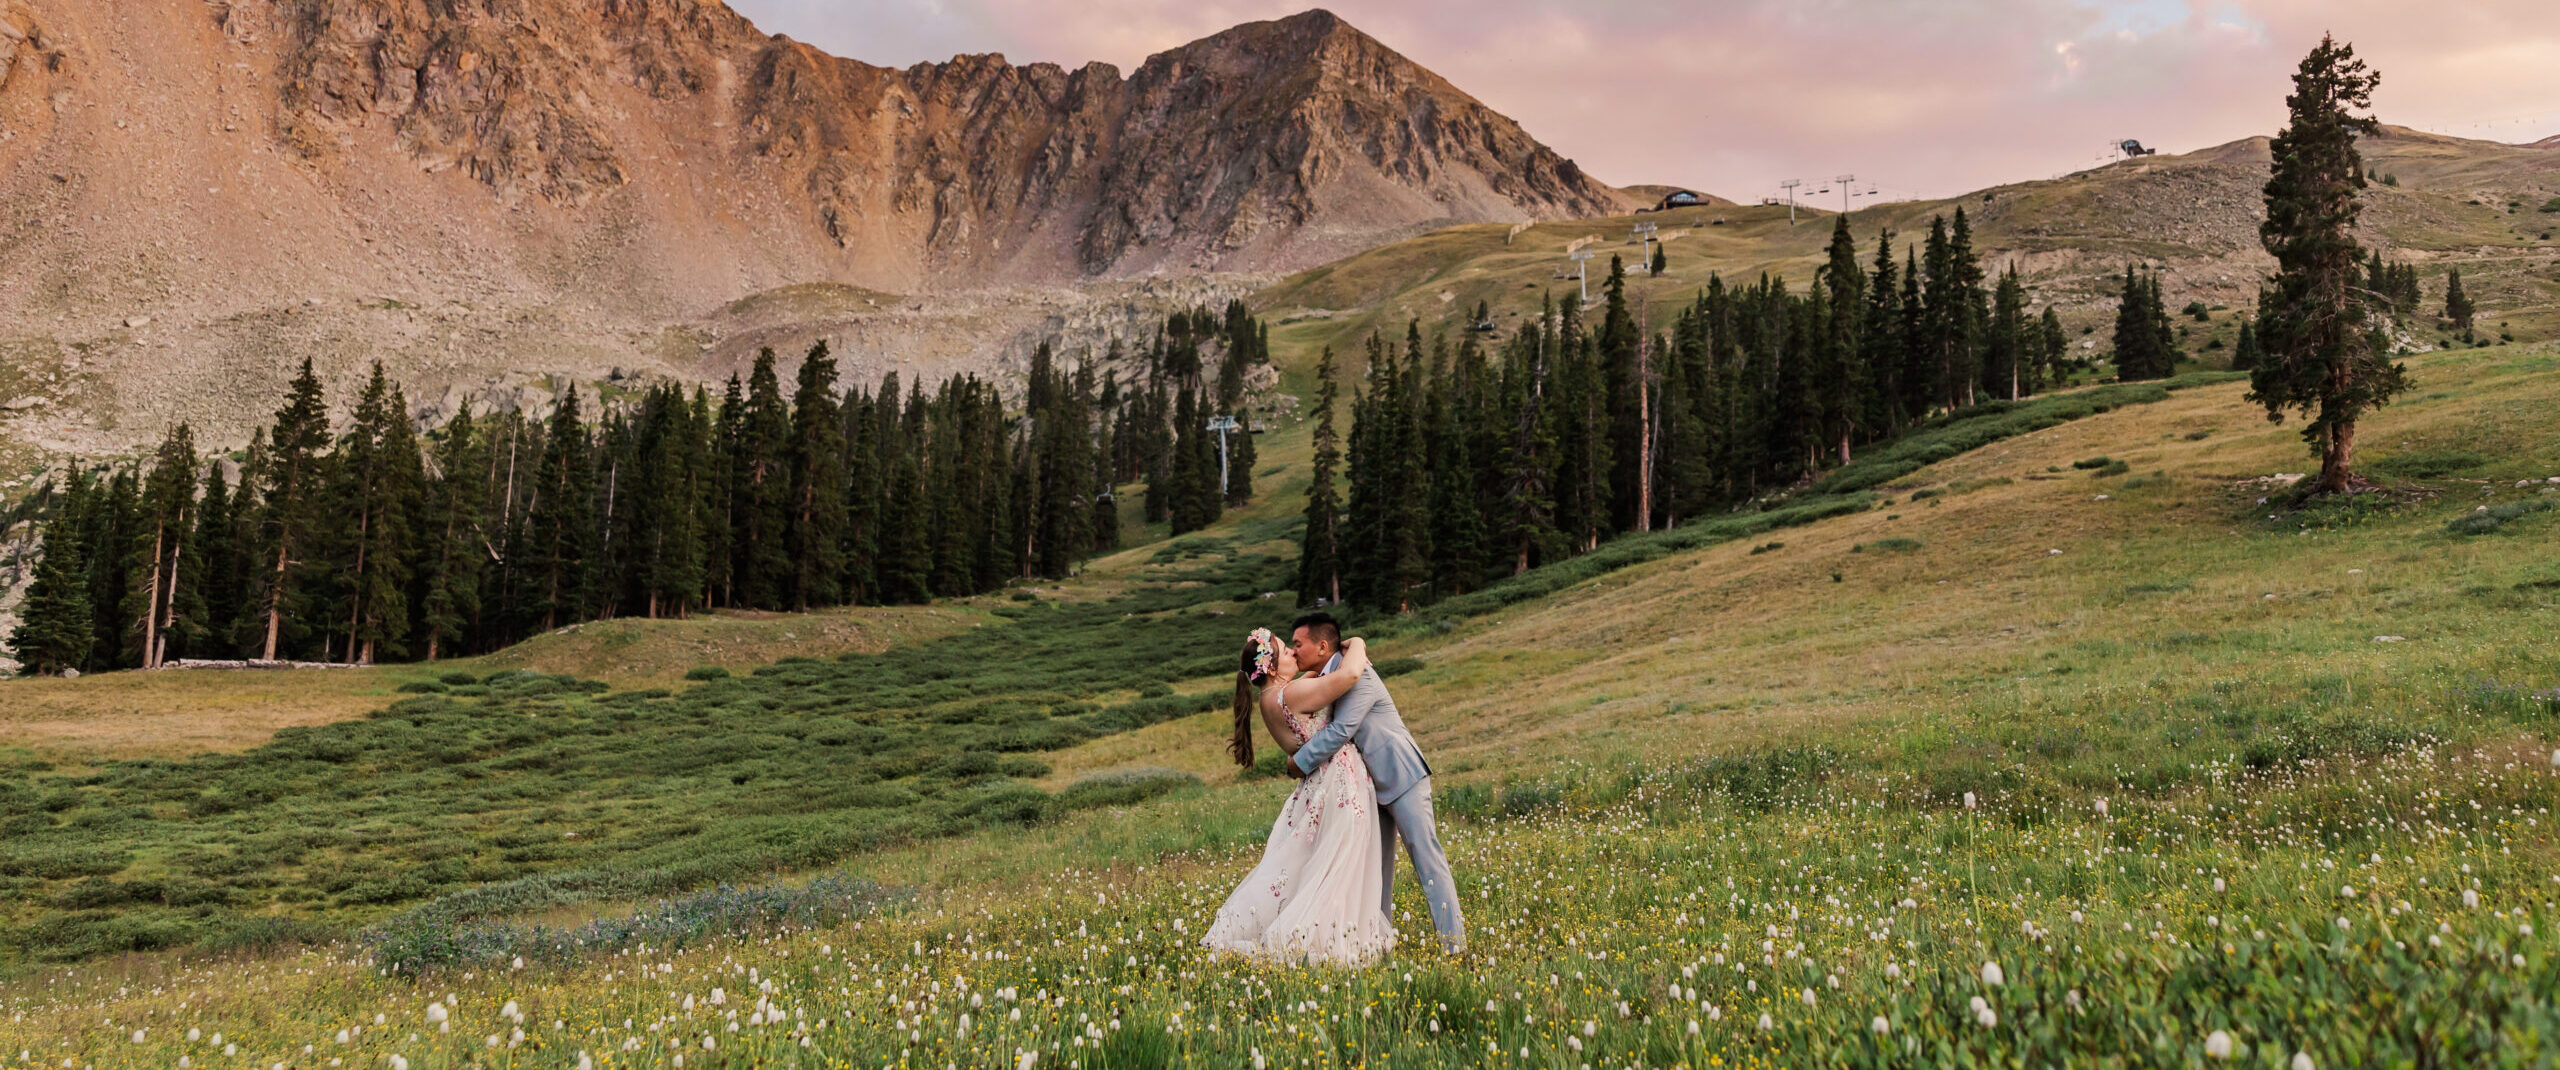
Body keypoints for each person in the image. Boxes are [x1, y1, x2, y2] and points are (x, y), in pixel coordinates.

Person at [1201, 627, 1396, 966]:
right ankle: (1326, 936)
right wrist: (1356, 643)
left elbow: (1307, 682)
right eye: (1285, 651)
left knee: (1310, 864)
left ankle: (1331, 929)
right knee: (1340, 861)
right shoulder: (1292, 695)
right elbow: (1350, 673)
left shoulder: (1269, 698)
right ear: (1273, 669)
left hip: (1314, 788)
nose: (1294, 653)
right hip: (1337, 783)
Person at [1286, 611, 1466, 955]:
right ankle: (1377, 944)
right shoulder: (1331, 675)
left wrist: (1300, 763)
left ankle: (1454, 946)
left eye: (1298, 644)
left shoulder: (1359, 673)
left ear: (1322, 646)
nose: (1294, 652)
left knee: (1426, 859)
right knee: (1376, 868)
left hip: (1401, 775)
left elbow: (1342, 731)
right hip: (1368, 785)